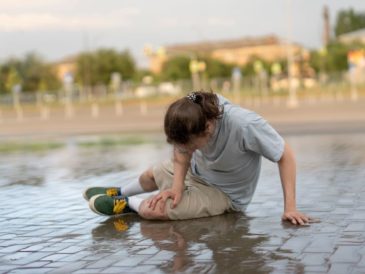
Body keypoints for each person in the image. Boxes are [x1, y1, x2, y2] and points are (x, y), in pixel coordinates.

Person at [84, 91, 311, 225]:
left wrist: (289, 207)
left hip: (224, 195)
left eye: (189, 144)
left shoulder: (245, 125)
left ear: (208, 127)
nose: (183, 149)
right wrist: (177, 187)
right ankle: (119, 192)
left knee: (155, 211)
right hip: (196, 173)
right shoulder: (193, 109)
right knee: (150, 174)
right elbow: (182, 153)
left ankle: (126, 204)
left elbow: (285, 155)